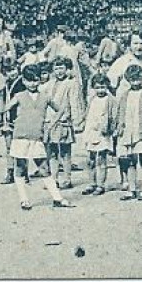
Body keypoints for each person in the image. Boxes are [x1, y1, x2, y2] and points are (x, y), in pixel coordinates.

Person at [6, 64, 74, 211]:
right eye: (29, 80)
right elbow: (5, 109)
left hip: (37, 137)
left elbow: (61, 109)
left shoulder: (45, 97)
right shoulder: (19, 96)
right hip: (20, 137)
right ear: (23, 81)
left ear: (40, 80)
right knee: (20, 167)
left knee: (44, 167)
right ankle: (24, 199)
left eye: (35, 80)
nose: (32, 83)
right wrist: (9, 122)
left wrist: (51, 124)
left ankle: (57, 198)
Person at [110, 63, 142, 201]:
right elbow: (119, 113)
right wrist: (117, 128)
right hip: (127, 130)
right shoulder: (125, 95)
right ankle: (132, 188)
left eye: (138, 79)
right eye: (132, 79)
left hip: (141, 129)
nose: (135, 82)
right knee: (129, 160)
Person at [46, 55, 87, 188]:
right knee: (52, 151)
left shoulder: (71, 84)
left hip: (64, 121)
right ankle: (53, 178)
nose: (59, 71)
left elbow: (75, 102)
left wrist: (77, 121)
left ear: (67, 69)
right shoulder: (49, 84)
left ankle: (67, 178)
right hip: (51, 121)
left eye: (61, 68)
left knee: (65, 151)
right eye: (56, 68)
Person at [80, 72, 115, 195]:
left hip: (102, 133)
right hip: (91, 131)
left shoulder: (110, 100)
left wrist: (109, 129)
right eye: (98, 87)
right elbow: (88, 114)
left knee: (101, 159)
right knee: (90, 159)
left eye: (103, 87)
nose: (100, 90)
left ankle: (101, 184)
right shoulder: (92, 99)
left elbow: (113, 117)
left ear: (107, 87)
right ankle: (92, 182)